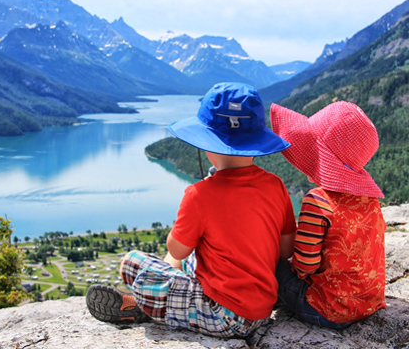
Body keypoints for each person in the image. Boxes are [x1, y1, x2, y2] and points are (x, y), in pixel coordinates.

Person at [87, 82, 292, 339]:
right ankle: (155, 304)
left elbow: (177, 250)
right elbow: (285, 251)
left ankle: (142, 307)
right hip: (262, 308)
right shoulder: (276, 186)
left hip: (222, 315)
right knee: (185, 261)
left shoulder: (199, 195)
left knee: (131, 263)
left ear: (207, 145)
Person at [267, 101, 388, 329]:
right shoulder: (369, 199)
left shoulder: (318, 201)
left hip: (328, 311)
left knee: (272, 262)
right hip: (369, 303)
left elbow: (305, 266)